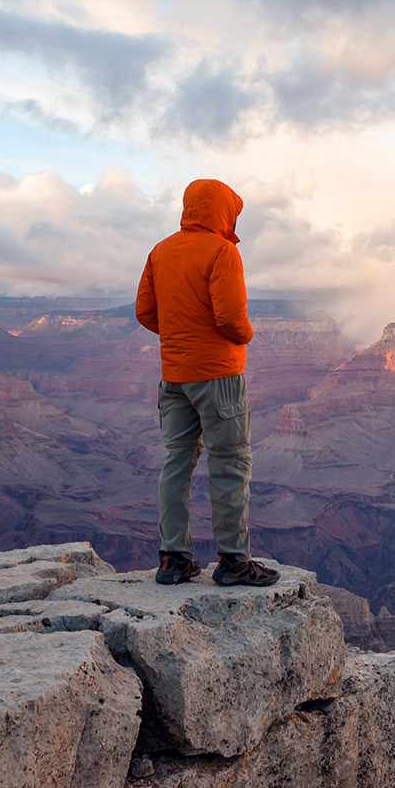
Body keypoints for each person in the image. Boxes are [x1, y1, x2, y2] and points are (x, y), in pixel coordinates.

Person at [134, 178, 280, 587]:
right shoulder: (222, 251)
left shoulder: (160, 250)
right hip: (218, 376)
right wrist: (246, 335)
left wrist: (180, 337)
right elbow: (231, 319)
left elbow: (145, 311)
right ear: (223, 211)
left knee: (176, 463)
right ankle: (233, 562)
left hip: (174, 377)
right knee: (229, 463)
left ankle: (173, 560)